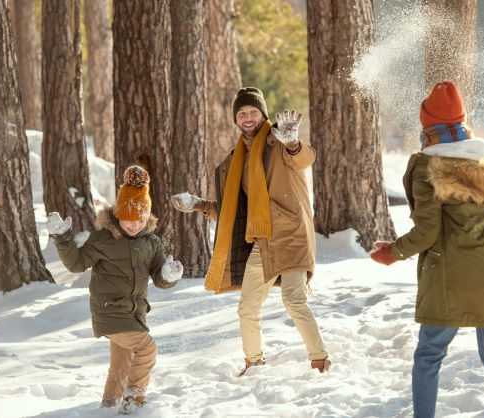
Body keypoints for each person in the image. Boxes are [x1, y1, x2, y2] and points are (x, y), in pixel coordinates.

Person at [370, 81, 484, 418]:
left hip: (450, 278)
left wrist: (391, 252)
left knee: (428, 356)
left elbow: (426, 233)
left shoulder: (428, 167)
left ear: (428, 127)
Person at [171, 87, 330, 376]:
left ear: (263, 114)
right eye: (242, 113)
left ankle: (320, 360)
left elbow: (304, 159)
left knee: (294, 301)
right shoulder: (237, 158)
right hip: (262, 240)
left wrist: (293, 142)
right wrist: (199, 205)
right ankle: (254, 362)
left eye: (253, 112)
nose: (247, 117)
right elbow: (236, 211)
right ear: (235, 119)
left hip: (291, 234)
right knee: (247, 307)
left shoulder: (278, 140)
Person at [47, 166, 183, 414]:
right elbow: (76, 264)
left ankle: (109, 404)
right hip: (109, 311)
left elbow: (160, 276)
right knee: (146, 348)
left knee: (122, 360)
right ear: (118, 215)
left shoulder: (151, 242)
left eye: (139, 220)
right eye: (128, 220)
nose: (133, 226)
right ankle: (134, 402)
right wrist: (63, 239)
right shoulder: (103, 239)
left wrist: (169, 275)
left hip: (135, 314)